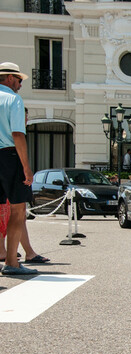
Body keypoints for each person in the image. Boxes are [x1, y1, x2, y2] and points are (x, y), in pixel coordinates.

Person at [0, 62, 38, 275]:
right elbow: (17, 134)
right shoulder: (12, 99)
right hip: (8, 155)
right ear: (9, 78)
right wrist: (27, 167)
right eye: (19, 80)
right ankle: (12, 262)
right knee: (17, 210)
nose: (20, 84)